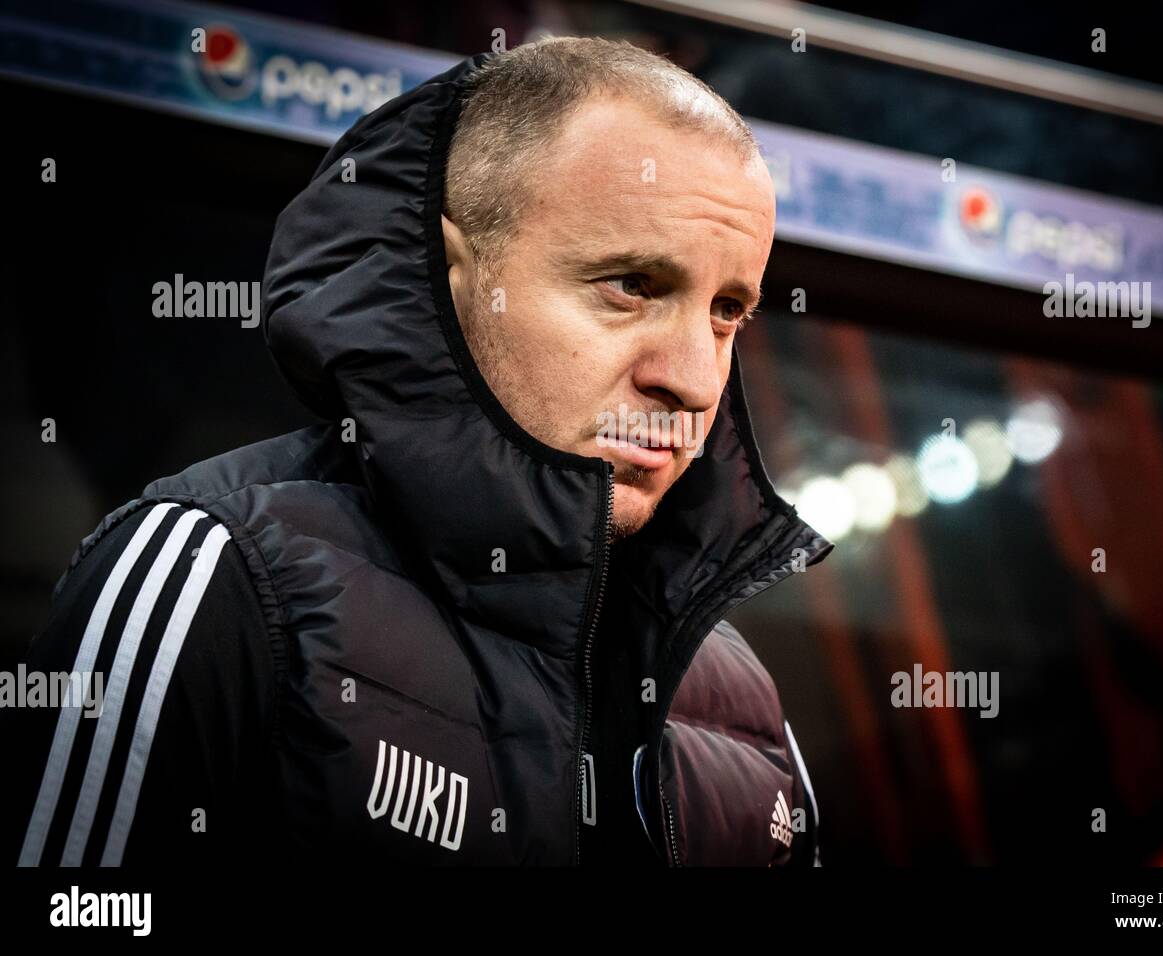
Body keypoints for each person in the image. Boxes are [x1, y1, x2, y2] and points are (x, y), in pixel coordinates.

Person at [6, 36, 830, 867]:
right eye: (630, 285)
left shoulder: (749, 719)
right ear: (451, 274)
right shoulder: (211, 577)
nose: (692, 380)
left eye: (728, 312)